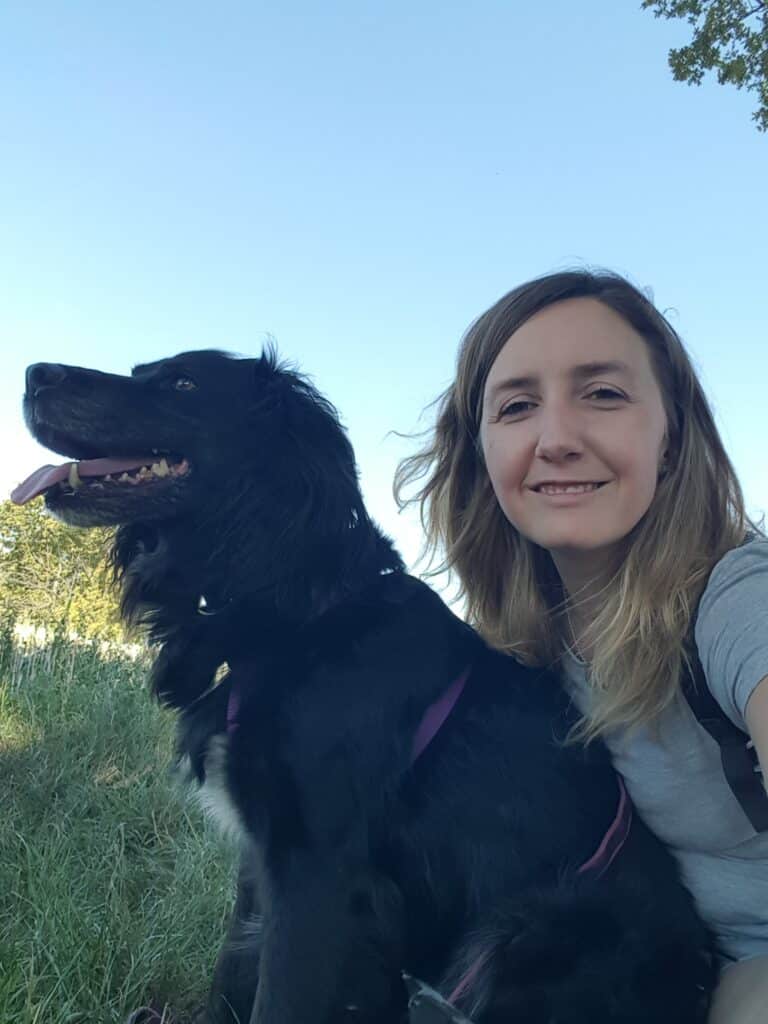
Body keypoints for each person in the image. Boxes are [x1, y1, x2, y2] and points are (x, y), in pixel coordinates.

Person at [395, 269, 768, 1023]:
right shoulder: (520, 650)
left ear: (671, 437)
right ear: (481, 453)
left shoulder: (734, 600)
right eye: (518, 406)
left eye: (603, 393)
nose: (557, 439)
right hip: (646, 960)